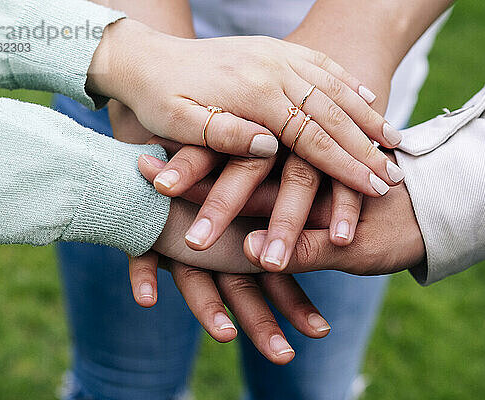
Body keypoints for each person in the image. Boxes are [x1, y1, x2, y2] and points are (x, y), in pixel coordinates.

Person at [52, 0, 452, 399]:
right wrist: (143, 70)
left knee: (310, 390)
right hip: (129, 70)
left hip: (347, 122)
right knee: (124, 387)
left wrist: (363, 29)